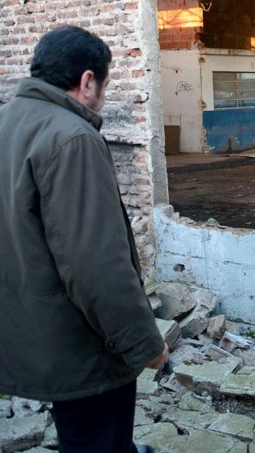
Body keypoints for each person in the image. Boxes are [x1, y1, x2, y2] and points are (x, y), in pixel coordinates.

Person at [0, 25, 168, 453]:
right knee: (98, 439)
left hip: (29, 329)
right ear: (87, 81)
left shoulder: (8, 121)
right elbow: (95, 267)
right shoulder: (73, 138)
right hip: (80, 342)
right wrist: (144, 344)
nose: (104, 98)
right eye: (106, 85)